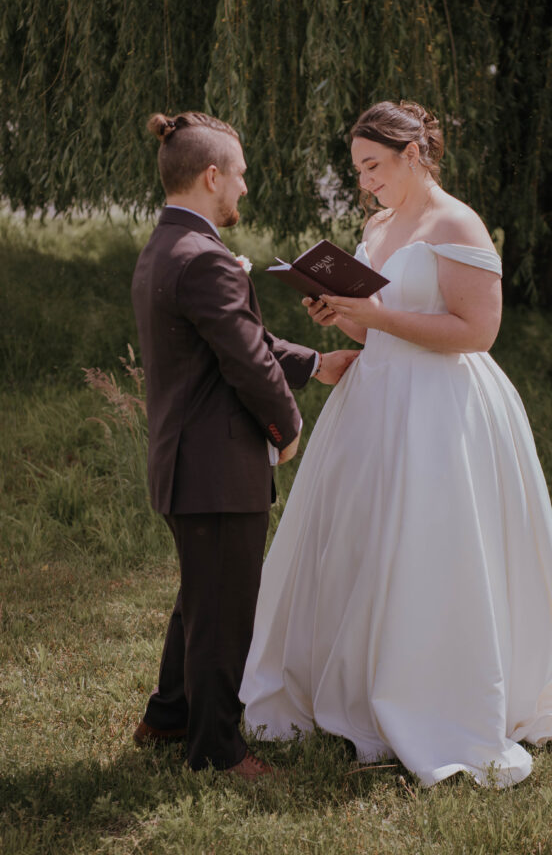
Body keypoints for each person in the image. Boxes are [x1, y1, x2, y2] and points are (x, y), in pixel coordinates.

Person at [240, 100, 552, 787]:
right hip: (374, 402)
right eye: (358, 170)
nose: (365, 183)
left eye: (374, 166)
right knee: (362, 541)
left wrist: (378, 314)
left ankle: (438, 689)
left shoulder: (457, 223)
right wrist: (343, 315)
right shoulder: (379, 224)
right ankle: (355, 684)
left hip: (443, 407)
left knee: (432, 544)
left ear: (415, 152)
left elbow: (478, 332)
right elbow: (376, 330)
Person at [131, 111, 357, 780]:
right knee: (225, 611)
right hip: (215, 465)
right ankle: (217, 753)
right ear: (211, 176)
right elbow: (247, 365)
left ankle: (168, 716)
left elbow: (233, 342)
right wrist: (286, 431)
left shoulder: (168, 246)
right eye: (241, 175)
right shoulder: (204, 259)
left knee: (202, 597)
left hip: (185, 461)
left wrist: (316, 362)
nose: (245, 189)